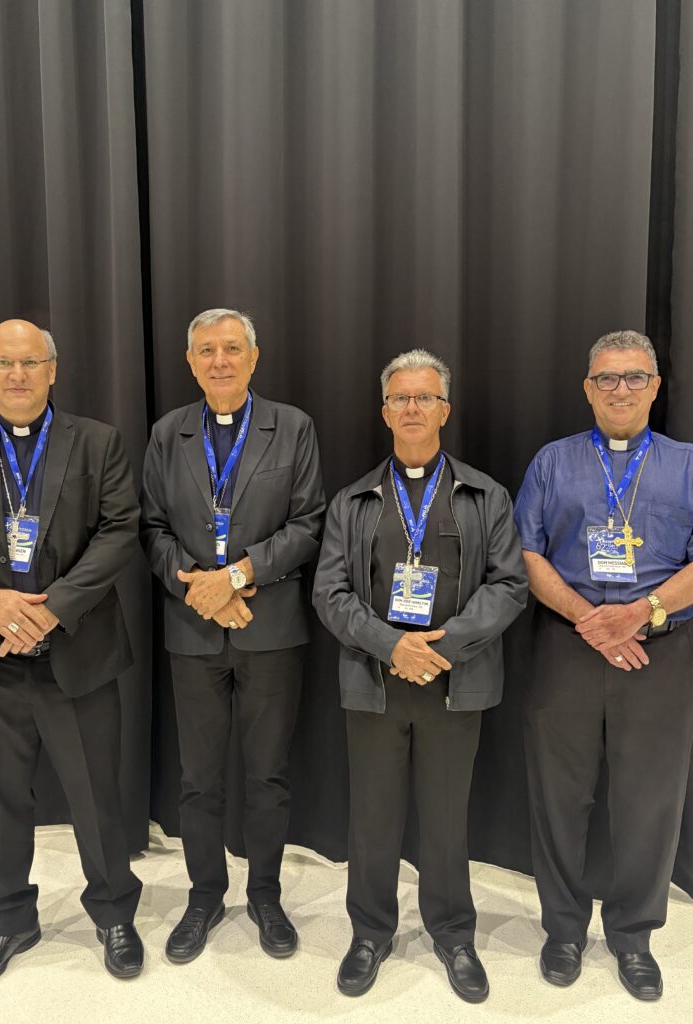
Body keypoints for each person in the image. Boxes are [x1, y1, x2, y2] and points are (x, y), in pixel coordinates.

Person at [0, 319, 144, 987]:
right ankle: (7, 919)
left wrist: (51, 608)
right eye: (3, 362)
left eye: (29, 362)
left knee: (96, 796)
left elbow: (120, 530)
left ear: (53, 370)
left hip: (76, 650)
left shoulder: (97, 440)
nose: (16, 374)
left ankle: (113, 913)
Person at [313, 349, 527, 1002]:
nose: (412, 407)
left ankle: (454, 933)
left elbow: (509, 584)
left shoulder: (486, 496)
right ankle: (370, 933)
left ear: (445, 410)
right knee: (372, 818)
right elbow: (329, 593)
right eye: (400, 398)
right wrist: (391, 647)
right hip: (375, 683)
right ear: (384, 412)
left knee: (446, 818)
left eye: (425, 397)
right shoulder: (352, 500)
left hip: (454, 685)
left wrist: (443, 648)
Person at [140, 308, 324, 962]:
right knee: (198, 778)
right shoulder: (168, 433)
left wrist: (237, 577)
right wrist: (200, 587)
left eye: (232, 349)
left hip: (269, 629)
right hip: (193, 629)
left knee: (267, 774)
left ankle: (266, 895)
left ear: (253, 357)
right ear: (191, 363)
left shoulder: (293, 427)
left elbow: (308, 524)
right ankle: (205, 895)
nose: (220, 361)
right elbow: (151, 528)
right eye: (207, 351)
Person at [514, 330, 693, 1001]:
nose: (621, 389)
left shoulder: (686, 463)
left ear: (656, 386)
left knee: (650, 798)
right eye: (607, 378)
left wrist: (641, 611)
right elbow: (526, 552)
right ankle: (563, 930)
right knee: (559, 794)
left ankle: (633, 936)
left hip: (659, 648)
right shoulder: (552, 462)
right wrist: (589, 619)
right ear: (588, 389)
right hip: (567, 643)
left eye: (635, 377)